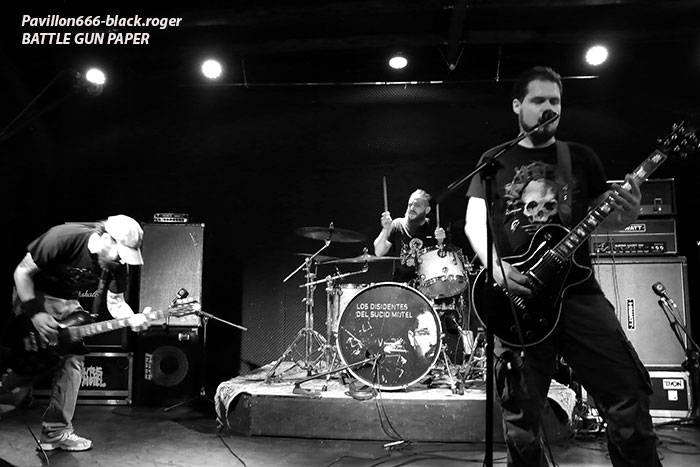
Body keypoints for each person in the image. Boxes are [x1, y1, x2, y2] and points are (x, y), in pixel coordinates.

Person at [464, 66, 662, 466]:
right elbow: (473, 221)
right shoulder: (494, 161)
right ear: (518, 106)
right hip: (518, 295)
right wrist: (497, 269)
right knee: (521, 420)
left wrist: (627, 213)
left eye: (555, 101)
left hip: (577, 293)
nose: (549, 108)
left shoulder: (580, 158)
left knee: (627, 395)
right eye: (539, 100)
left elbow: (606, 219)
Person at [0, 214, 151, 452]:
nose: (122, 260)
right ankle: (10, 387)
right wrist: (35, 313)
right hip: (34, 292)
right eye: (120, 253)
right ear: (107, 239)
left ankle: (55, 432)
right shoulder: (63, 238)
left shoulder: (117, 265)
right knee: (30, 360)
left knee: (73, 356)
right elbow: (22, 273)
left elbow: (116, 303)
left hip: (67, 301)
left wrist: (133, 319)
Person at [373, 188, 446, 284]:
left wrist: (440, 241)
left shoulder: (432, 227)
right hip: (401, 284)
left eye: (417, 205)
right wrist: (385, 229)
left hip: (426, 284)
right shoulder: (397, 225)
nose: (412, 208)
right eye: (410, 204)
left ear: (427, 210)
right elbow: (378, 252)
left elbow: (441, 260)